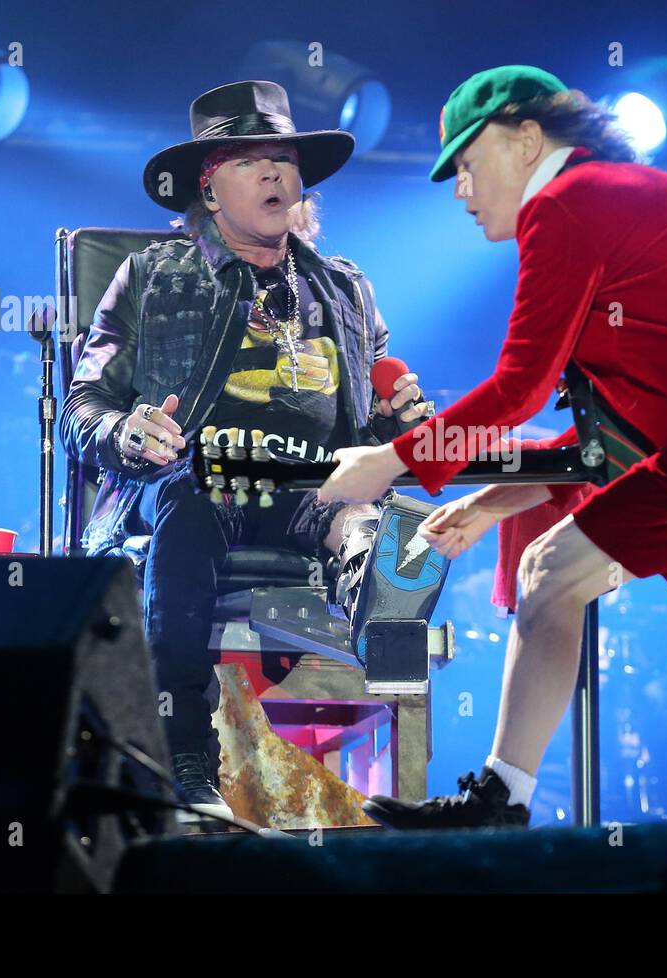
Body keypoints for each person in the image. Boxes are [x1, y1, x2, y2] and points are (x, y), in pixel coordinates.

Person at [317, 66, 667, 875]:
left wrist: (393, 461)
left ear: (528, 137)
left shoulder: (567, 203)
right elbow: (606, 449)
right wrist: (493, 504)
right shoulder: (618, 204)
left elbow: (518, 390)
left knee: (550, 572)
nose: (460, 189)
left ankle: (498, 800)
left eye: (467, 164)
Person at [62, 80, 431, 823]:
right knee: (191, 503)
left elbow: (379, 438)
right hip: (197, 482)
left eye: (284, 158)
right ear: (209, 182)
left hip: (314, 492)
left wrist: (405, 428)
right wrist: (127, 432)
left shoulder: (347, 291)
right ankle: (184, 757)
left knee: (399, 534)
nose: (274, 173)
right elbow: (83, 409)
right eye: (250, 160)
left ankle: (401, 764)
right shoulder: (152, 276)